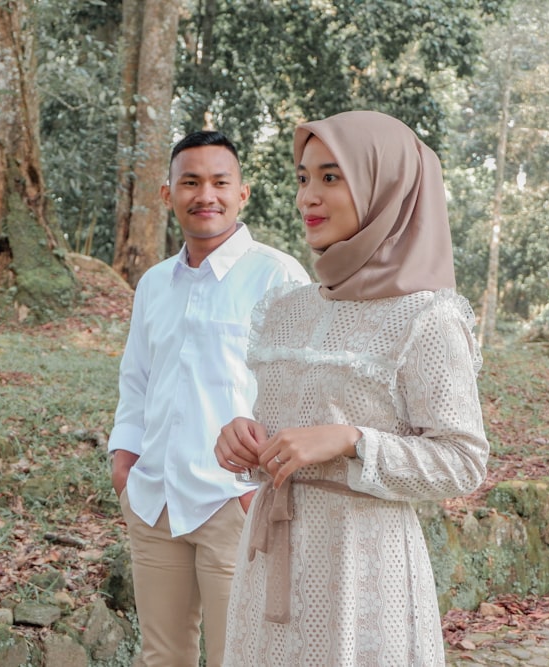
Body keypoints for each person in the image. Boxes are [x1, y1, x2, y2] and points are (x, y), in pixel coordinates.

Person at [214, 110, 490, 666]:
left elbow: (463, 462)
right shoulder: (288, 309)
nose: (307, 197)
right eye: (302, 177)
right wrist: (245, 443)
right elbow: (280, 432)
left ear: (383, 187)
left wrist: (351, 440)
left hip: (363, 569)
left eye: (331, 177)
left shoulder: (427, 317)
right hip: (268, 558)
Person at [108, 130, 310, 667]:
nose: (206, 196)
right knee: (162, 657)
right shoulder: (153, 284)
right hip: (154, 500)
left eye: (220, 183)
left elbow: (303, 390)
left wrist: (257, 486)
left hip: (233, 501)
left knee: (239, 656)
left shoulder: (278, 276)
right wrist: (124, 461)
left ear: (243, 193)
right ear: (167, 192)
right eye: (190, 182)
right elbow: (138, 378)